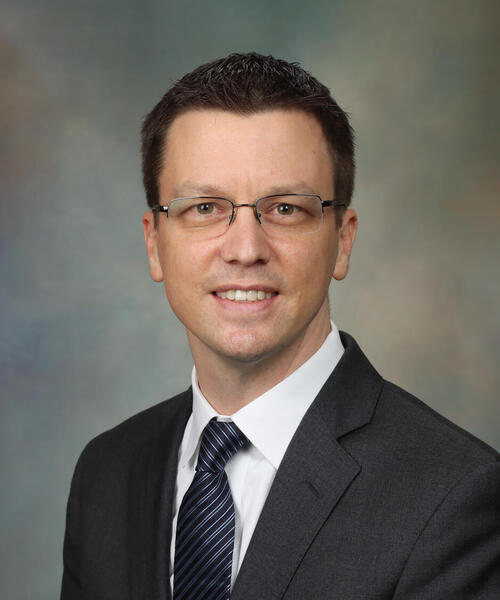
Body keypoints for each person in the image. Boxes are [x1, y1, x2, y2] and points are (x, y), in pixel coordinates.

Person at [61, 52, 500, 599]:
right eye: (205, 208)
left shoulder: (454, 495)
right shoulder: (107, 472)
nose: (246, 249)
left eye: (286, 209)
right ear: (154, 243)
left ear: (343, 240)